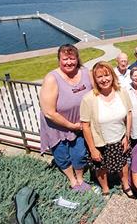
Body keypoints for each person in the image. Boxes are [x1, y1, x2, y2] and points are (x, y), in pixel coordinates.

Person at [39, 44, 93, 192]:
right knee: (62, 155)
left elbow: (97, 93)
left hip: (79, 125)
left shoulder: (85, 72)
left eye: (72, 58)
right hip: (57, 125)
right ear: (59, 60)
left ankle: (80, 178)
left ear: (77, 59)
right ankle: (73, 180)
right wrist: (71, 126)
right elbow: (49, 112)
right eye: (65, 59)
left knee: (80, 153)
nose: (69, 62)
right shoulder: (52, 78)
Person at [80, 61, 133, 197]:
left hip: (120, 138)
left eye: (107, 75)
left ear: (112, 75)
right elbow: (85, 125)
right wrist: (92, 149)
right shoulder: (89, 99)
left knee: (123, 164)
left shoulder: (121, 92)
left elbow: (129, 113)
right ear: (95, 79)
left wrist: (127, 136)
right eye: (99, 77)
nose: (104, 79)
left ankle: (125, 185)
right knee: (101, 167)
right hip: (101, 142)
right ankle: (105, 189)